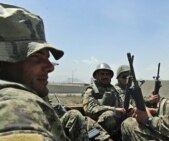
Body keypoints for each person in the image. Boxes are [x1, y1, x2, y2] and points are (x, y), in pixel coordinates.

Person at [0, 3, 110, 141]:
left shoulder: (114, 90)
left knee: (84, 124)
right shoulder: (16, 105)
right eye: (36, 56)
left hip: (74, 126)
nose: (50, 67)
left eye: (47, 57)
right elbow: (91, 109)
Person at [82, 63, 126, 140]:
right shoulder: (91, 90)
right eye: (102, 74)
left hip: (114, 126)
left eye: (107, 74)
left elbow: (122, 102)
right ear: (96, 76)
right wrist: (114, 109)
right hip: (93, 129)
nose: (105, 76)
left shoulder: (114, 89)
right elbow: (90, 109)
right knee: (109, 115)